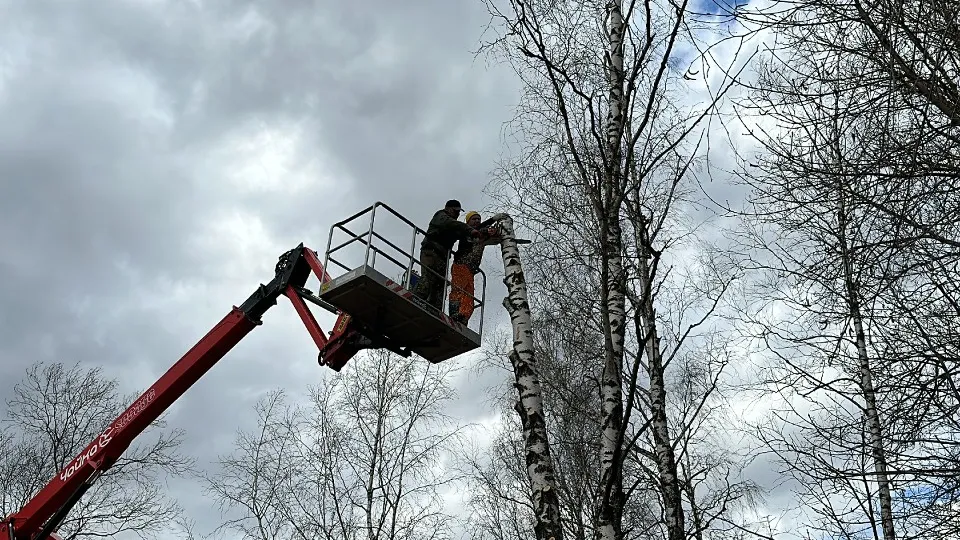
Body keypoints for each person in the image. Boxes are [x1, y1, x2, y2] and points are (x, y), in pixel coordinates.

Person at [413, 200, 480, 310]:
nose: (457, 214)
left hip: (443, 258)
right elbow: (453, 224)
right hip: (430, 253)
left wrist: (481, 233)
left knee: (440, 287)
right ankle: (415, 299)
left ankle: (435, 310)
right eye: (456, 211)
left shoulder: (455, 226)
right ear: (448, 208)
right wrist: (469, 230)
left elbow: (463, 235)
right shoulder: (441, 216)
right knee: (428, 280)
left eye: (459, 212)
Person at [448, 211, 501, 324]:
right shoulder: (466, 231)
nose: (477, 221)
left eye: (478, 219)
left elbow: (484, 232)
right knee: (458, 291)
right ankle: (454, 314)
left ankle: (463, 318)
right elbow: (480, 230)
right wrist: (490, 225)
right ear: (468, 221)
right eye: (474, 219)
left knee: (469, 297)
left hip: (470, 270)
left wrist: (495, 230)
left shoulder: (480, 234)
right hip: (461, 265)